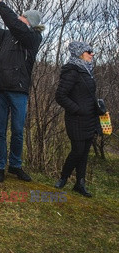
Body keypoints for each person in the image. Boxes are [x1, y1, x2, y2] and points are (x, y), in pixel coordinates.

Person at [0, 0, 44, 183]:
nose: (19, 17)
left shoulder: (33, 37)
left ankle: (15, 165)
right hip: (0, 88)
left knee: (17, 130)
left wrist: (1, 4)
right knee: (0, 130)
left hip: (18, 91)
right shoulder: (8, 36)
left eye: (23, 16)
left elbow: (15, 26)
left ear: (30, 23)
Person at [54, 41, 101, 197]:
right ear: (80, 53)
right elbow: (60, 96)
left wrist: (98, 110)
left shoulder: (88, 71)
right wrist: (77, 109)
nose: (92, 54)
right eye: (89, 51)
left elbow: (89, 95)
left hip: (90, 118)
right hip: (76, 119)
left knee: (85, 152)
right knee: (78, 150)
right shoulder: (72, 71)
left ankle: (80, 183)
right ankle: (63, 178)